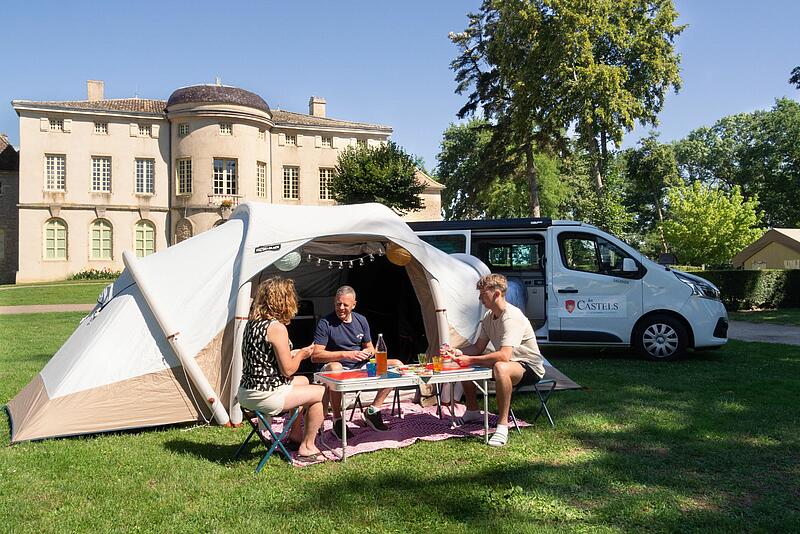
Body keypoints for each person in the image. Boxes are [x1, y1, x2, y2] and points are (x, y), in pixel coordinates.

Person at [238, 276, 325, 462]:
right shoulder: (276, 327)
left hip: (246, 391)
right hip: (266, 395)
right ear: (283, 300)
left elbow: (264, 359)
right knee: (320, 393)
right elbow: (288, 371)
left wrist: (295, 352)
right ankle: (307, 447)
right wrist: (301, 355)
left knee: (304, 381)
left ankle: (295, 435)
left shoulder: (252, 324)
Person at [455, 273, 545, 447]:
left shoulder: (512, 316)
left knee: (500, 367)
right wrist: (457, 352)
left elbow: (504, 355)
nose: (480, 299)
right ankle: (472, 410)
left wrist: (471, 360)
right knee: (464, 363)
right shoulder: (489, 317)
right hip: (508, 363)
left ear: (497, 294)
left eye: (483, 294)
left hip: (529, 367)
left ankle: (502, 426)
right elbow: (477, 348)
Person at [312, 285, 401, 436]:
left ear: (354, 304)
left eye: (345, 305)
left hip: (360, 366)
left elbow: (371, 348)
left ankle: (373, 410)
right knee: (336, 368)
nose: (341, 308)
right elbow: (316, 355)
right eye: (338, 304)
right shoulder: (325, 323)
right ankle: (337, 420)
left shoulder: (361, 320)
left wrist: (367, 352)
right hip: (336, 368)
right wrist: (346, 355)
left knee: (396, 365)